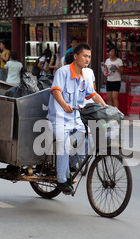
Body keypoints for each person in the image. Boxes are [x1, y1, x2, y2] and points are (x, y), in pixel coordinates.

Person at [47, 43, 106, 194]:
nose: (87, 59)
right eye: (85, 56)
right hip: (59, 117)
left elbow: (92, 94)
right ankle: (62, 180)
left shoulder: (85, 76)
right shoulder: (63, 72)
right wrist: (63, 105)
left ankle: (72, 163)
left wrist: (106, 107)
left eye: (89, 57)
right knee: (63, 144)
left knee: (89, 141)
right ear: (75, 56)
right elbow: (56, 91)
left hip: (75, 118)